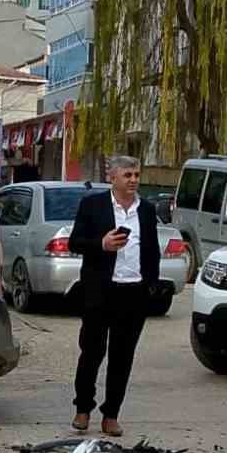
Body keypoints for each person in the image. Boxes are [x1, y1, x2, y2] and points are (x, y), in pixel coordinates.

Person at [68, 155, 161, 438]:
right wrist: (102, 244)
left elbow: (152, 250)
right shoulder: (92, 205)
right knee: (92, 352)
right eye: (128, 175)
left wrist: (151, 286)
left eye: (136, 175)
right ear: (113, 177)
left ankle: (111, 415)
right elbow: (75, 243)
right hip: (100, 292)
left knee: (123, 357)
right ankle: (83, 409)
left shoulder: (146, 209)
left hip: (133, 293)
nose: (133, 180)